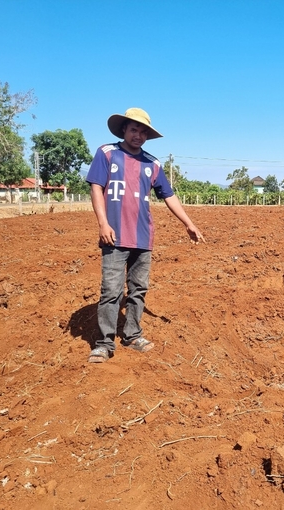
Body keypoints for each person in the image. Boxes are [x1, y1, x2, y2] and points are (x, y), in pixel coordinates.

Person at [85, 107, 205, 363]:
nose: (138, 135)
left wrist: (188, 223)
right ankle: (105, 343)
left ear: (147, 136)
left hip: (143, 237)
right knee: (111, 291)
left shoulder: (153, 164)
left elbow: (169, 196)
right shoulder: (107, 154)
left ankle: (132, 334)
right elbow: (96, 188)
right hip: (114, 236)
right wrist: (103, 223)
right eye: (134, 129)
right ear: (124, 130)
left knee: (138, 290)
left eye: (143, 131)